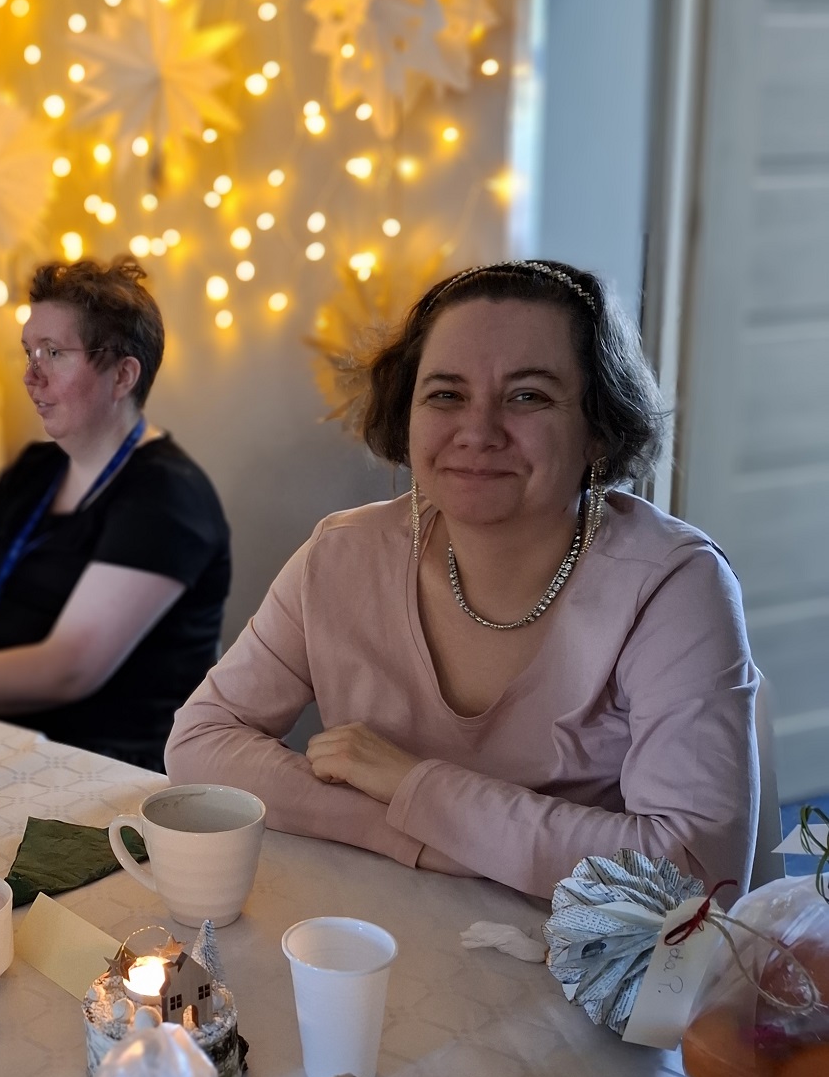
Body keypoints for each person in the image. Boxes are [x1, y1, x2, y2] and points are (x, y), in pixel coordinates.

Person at [166, 261, 759, 900]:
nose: (478, 432)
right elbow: (200, 742)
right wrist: (412, 833)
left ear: (599, 430)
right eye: (446, 395)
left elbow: (695, 875)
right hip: (374, 924)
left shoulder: (674, 585)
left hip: (571, 951)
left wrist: (412, 784)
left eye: (528, 396)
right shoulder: (340, 556)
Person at [0, 257, 231, 771]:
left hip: (107, 770)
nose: (30, 376)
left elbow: (68, 669)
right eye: (28, 352)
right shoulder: (32, 470)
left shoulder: (168, 496)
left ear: (123, 375)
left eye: (53, 353)